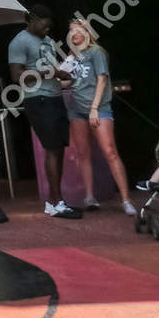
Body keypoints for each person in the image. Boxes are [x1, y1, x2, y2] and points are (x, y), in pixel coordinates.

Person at [7, 5, 82, 220]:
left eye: (50, 26)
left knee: (58, 148)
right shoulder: (20, 41)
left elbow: (53, 68)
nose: (47, 29)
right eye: (44, 24)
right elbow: (16, 75)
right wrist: (49, 72)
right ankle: (57, 202)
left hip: (55, 96)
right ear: (31, 19)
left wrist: (65, 71)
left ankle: (54, 201)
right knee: (52, 147)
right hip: (37, 99)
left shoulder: (48, 41)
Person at [62, 21, 135, 216]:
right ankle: (89, 196)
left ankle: (126, 199)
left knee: (110, 151)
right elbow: (67, 80)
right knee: (82, 153)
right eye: (71, 31)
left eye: (79, 29)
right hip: (77, 109)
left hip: (98, 107)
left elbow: (102, 79)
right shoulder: (72, 56)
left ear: (87, 32)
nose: (74, 33)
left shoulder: (96, 52)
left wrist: (94, 108)